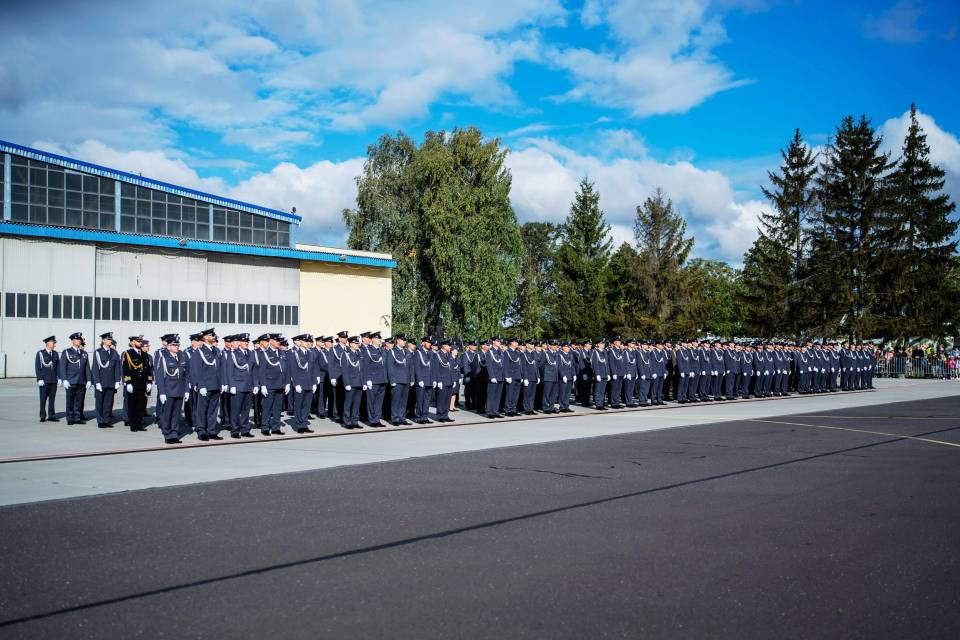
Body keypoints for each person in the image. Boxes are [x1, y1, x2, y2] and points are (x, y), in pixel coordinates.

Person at [189, 328, 223, 440]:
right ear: (205, 338)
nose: (213, 337)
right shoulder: (199, 352)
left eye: (213, 335)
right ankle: (201, 431)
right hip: (206, 386)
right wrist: (201, 385)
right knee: (202, 410)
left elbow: (220, 369)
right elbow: (196, 370)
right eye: (211, 335)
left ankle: (211, 431)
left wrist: (222, 383)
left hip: (216, 385)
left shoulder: (216, 351)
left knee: (213, 410)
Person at [155, 334, 188, 445]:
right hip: (168, 390)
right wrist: (162, 392)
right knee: (167, 414)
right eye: (174, 345)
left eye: (177, 345)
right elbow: (160, 376)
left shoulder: (182, 356)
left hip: (179, 390)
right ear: (168, 347)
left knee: (176, 414)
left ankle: (174, 433)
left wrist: (186, 390)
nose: (177, 347)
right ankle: (167, 434)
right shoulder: (163, 357)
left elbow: (186, 376)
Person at [225, 333, 256, 438]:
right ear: (239, 343)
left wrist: (255, 384)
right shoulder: (233, 354)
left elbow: (254, 370)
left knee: (246, 410)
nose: (246, 343)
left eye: (247, 341)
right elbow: (229, 371)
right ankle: (235, 430)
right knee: (236, 410)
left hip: (249, 386)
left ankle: (245, 429)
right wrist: (232, 385)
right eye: (244, 341)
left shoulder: (251, 353)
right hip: (238, 386)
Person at [257, 334, 289, 435]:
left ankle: (276, 427)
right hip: (269, 384)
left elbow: (286, 369)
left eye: (279, 341)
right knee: (267, 408)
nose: (279, 342)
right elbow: (261, 371)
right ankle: (265, 427)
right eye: (276, 340)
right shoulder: (265, 354)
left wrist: (287, 383)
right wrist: (263, 385)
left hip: (280, 384)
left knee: (277, 408)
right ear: (271, 341)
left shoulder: (282, 353)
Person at [121, 335, 152, 431]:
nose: (140, 343)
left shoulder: (144, 354)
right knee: (132, 405)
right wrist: (128, 382)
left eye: (141, 342)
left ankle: (139, 424)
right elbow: (125, 369)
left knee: (140, 405)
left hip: (142, 383)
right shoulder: (128, 354)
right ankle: (133, 425)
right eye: (138, 342)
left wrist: (149, 381)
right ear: (134, 343)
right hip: (133, 383)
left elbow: (148, 369)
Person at [58, 331, 90, 425]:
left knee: (79, 401)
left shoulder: (84, 353)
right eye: (77, 339)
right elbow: (63, 367)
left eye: (80, 339)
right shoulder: (67, 352)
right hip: (71, 380)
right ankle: (70, 418)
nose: (79, 341)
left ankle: (77, 417)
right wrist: (64, 379)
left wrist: (89, 380)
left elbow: (87, 368)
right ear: (72, 341)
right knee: (70, 400)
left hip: (81, 380)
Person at [91, 332, 121, 428]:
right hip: (101, 382)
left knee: (108, 402)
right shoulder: (98, 352)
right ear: (103, 340)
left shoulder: (114, 352)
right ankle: (100, 421)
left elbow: (117, 368)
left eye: (111, 339)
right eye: (108, 339)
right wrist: (97, 382)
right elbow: (95, 368)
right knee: (100, 402)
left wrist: (117, 380)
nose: (110, 341)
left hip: (111, 382)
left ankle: (106, 420)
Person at [289, 334, 316, 434]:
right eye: (306, 341)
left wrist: (314, 383)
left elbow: (313, 369)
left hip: (309, 383)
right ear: (300, 342)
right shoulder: (295, 354)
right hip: (300, 383)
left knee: (307, 406)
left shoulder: (310, 353)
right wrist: (296, 384)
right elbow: (293, 370)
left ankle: (304, 424)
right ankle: (299, 424)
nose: (308, 343)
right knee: (299, 405)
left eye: (309, 341)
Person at [361, 331, 388, 427]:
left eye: (380, 338)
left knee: (379, 402)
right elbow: (365, 366)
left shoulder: (382, 350)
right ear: (372, 339)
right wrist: (367, 379)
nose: (379, 340)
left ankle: (377, 419)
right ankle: (372, 420)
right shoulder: (368, 350)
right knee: (371, 401)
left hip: (382, 379)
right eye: (377, 338)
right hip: (373, 380)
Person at [386, 334, 412, 426]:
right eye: (403, 340)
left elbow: (410, 367)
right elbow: (390, 367)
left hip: (406, 379)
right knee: (396, 400)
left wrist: (411, 378)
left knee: (404, 401)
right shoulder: (392, 351)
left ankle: (402, 418)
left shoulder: (406, 351)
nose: (404, 342)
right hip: (397, 380)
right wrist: (392, 380)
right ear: (398, 341)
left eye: (405, 340)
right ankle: (395, 418)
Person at [340, 336, 364, 429]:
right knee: (348, 403)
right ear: (350, 344)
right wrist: (347, 383)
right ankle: (347, 421)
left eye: (358, 343)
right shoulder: (345, 354)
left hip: (359, 382)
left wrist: (364, 382)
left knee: (357, 404)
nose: (357, 345)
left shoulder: (359, 353)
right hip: (350, 382)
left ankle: (355, 421)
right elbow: (344, 370)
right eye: (355, 343)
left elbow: (362, 369)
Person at [35, 336, 60, 423]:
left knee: (52, 399)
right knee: (43, 399)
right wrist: (39, 379)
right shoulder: (40, 353)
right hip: (44, 381)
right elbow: (38, 367)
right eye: (53, 343)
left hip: (53, 380)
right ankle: (42, 416)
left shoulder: (55, 354)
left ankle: (51, 416)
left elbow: (58, 367)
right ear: (48, 343)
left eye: (54, 343)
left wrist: (60, 378)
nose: (54, 345)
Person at [413, 336, 437, 424]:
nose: (429, 344)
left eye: (430, 342)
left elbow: (433, 367)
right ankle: (419, 417)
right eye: (428, 342)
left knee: (427, 400)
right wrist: (419, 379)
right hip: (422, 380)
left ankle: (425, 416)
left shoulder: (431, 353)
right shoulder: (418, 353)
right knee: (420, 400)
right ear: (423, 343)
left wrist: (434, 380)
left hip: (429, 380)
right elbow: (417, 367)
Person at [433, 339, 457, 422]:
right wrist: (438, 381)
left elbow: (452, 368)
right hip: (442, 380)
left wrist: (453, 380)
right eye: (448, 345)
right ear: (443, 346)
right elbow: (436, 369)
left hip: (449, 380)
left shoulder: (449, 355)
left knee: (447, 399)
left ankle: (445, 415)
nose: (450, 347)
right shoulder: (437, 355)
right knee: (441, 399)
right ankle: (440, 416)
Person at [591, 338, 611, 410]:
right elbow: (595, 364)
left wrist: (608, 373)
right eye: (602, 343)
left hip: (605, 374)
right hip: (599, 374)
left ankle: (601, 404)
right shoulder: (595, 352)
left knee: (603, 391)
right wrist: (597, 374)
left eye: (604, 343)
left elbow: (607, 364)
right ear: (598, 344)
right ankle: (598, 404)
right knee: (598, 390)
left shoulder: (605, 352)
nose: (603, 345)